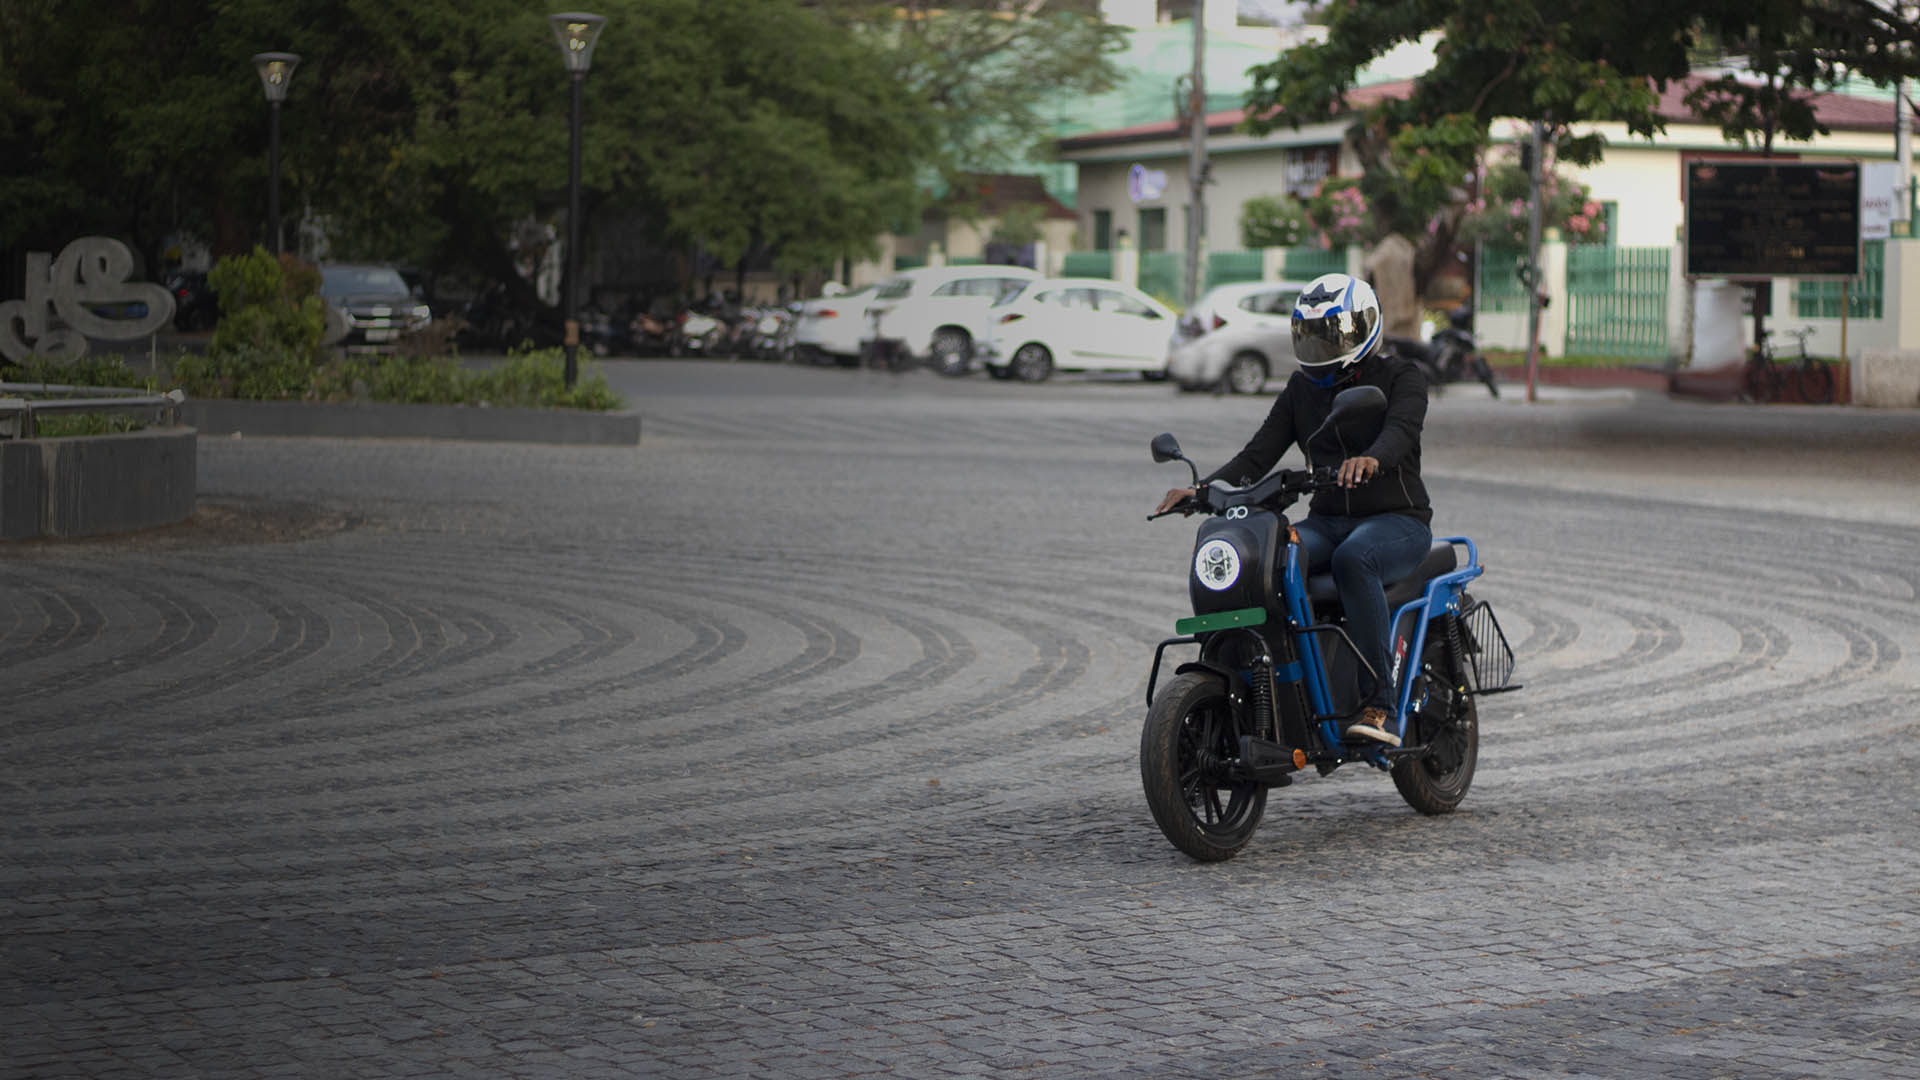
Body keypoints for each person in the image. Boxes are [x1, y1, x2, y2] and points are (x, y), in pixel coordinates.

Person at [1154, 272, 1431, 747]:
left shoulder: (1401, 378)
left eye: (1332, 336)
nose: (1322, 346)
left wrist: (1372, 459)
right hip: (1327, 521)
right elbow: (1257, 455)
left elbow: (1400, 430)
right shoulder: (1302, 390)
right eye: (1313, 336)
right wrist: (1202, 489)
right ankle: (1282, 688)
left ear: (1365, 328)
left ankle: (1380, 704)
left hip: (1397, 521)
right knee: (1271, 560)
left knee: (1354, 558)